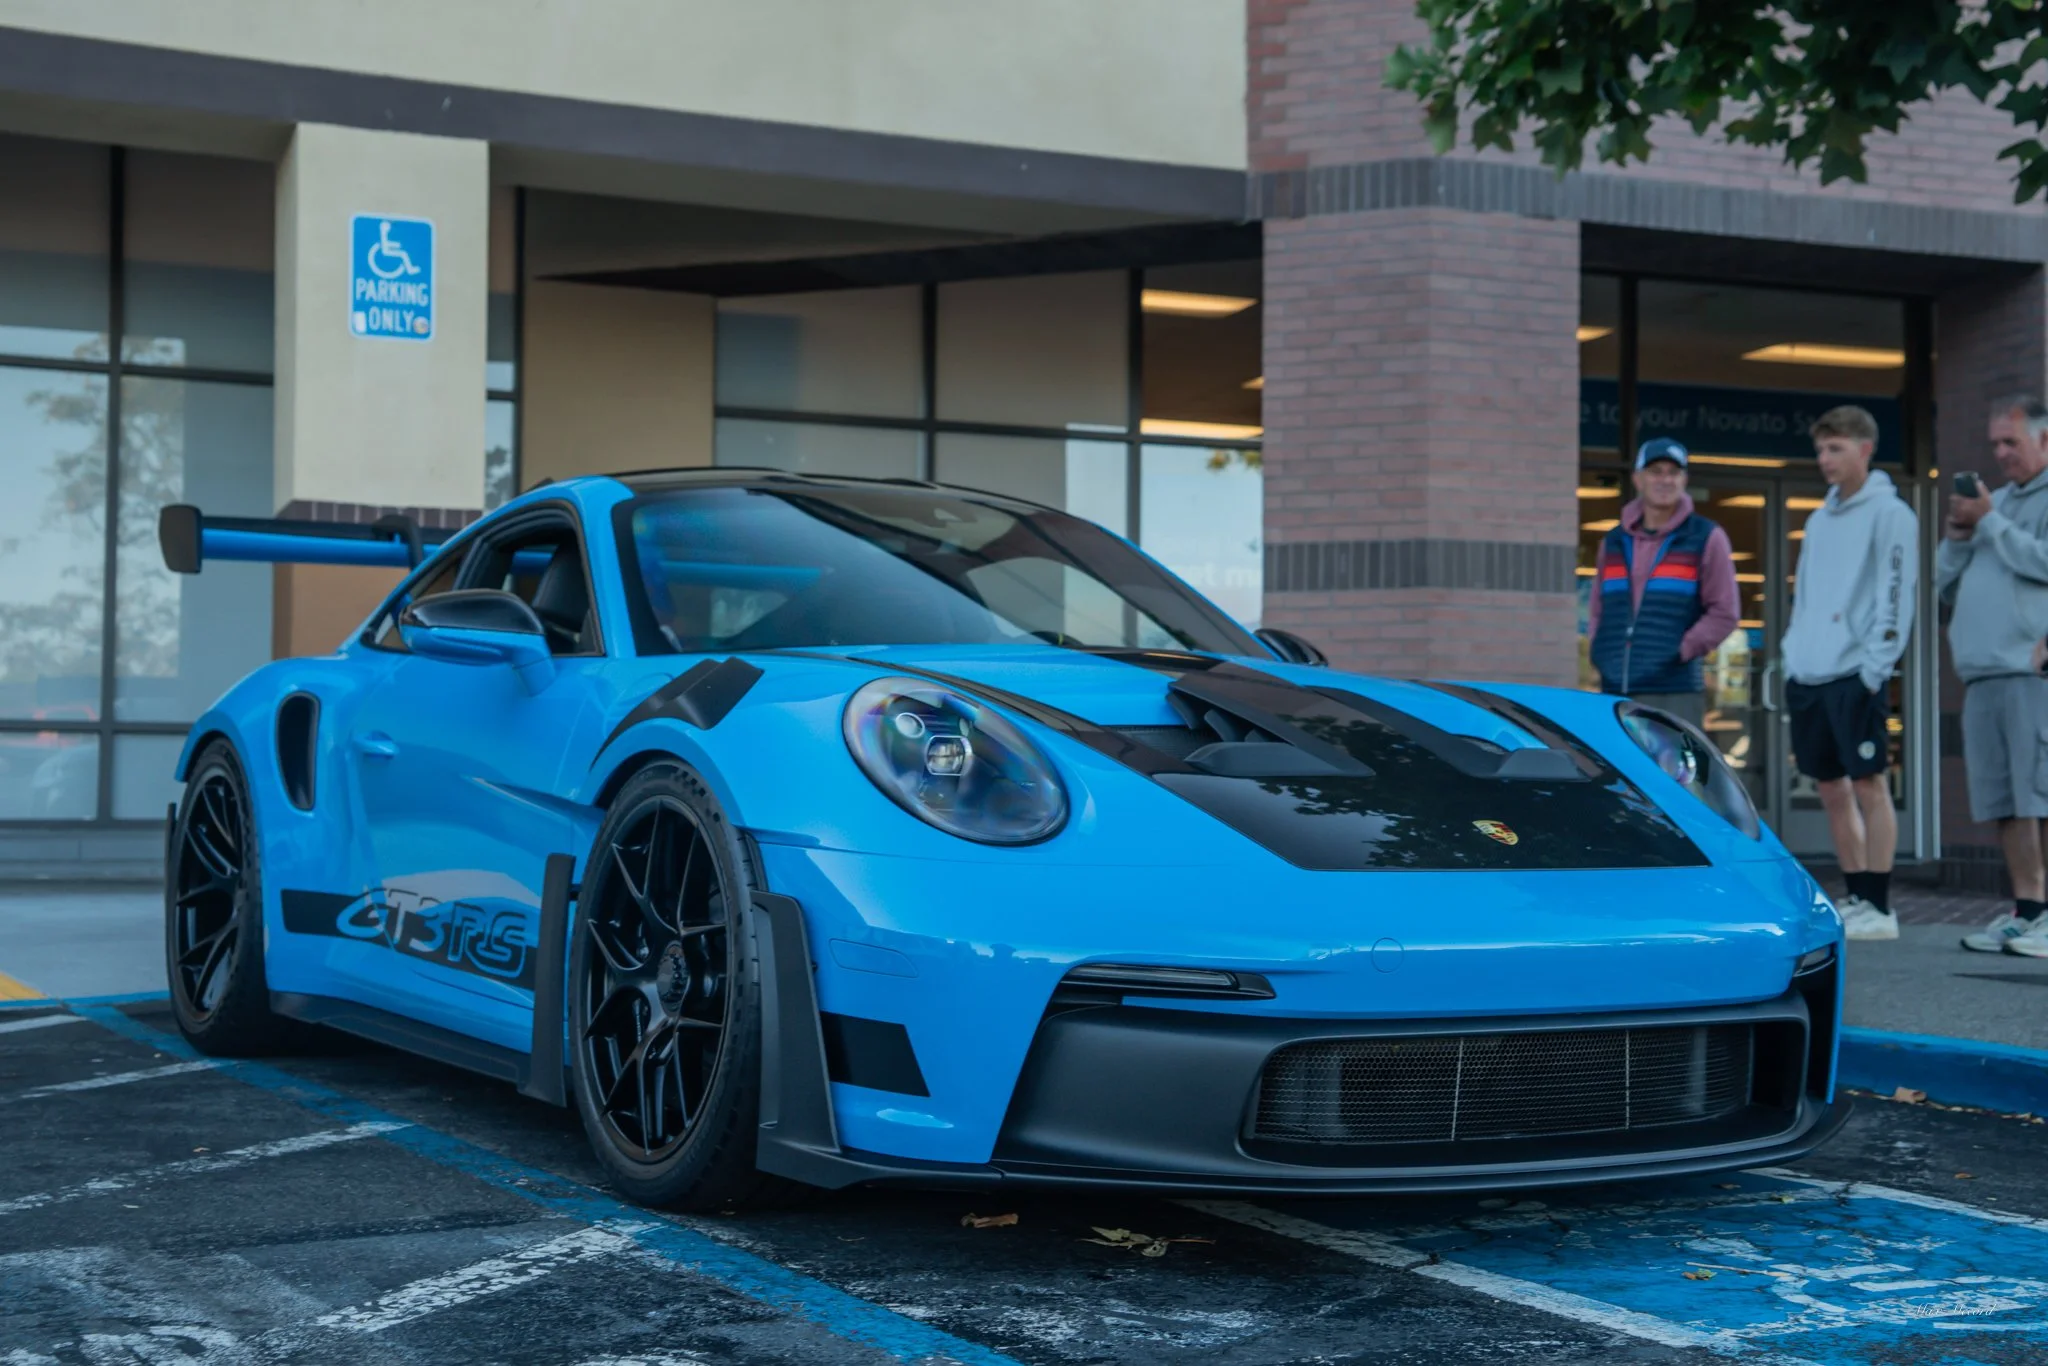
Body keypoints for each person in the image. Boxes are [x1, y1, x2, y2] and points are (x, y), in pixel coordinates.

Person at [1782, 405, 1918, 941]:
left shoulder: (1892, 515)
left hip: (1856, 674)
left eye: (1835, 449)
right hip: (1810, 674)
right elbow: (1805, 595)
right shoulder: (1818, 518)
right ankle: (1858, 895)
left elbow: (1896, 596)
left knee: (1869, 785)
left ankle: (1881, 907)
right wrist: (1795, 656)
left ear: (1864, 450)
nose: (1824, 459)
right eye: (1820, 449)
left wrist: (1873, 670)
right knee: (1832, 790)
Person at [1940, 397, 2048, 958]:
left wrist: (1991, 523)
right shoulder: (1994, 505)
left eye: (2012, 442)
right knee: (2004, 801)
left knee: (2041, 797)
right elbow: (1943, 585)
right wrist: (1959, 537)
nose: (2001, 454)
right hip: (1982, 673)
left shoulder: (2005, 512)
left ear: (2045, 441)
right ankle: (2027, 910)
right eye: (1996, 444)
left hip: (2031, 674)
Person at [1587, 437, 1740, 730]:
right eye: (1656, 471)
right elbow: (1597, 609)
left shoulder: (1706, 537)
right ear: (1637, 479)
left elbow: (1725, 612)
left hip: (1674, 690)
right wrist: (1599, 651)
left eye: (1674, 472)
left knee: (1672, 776)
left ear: (1684, 480)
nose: (1665, 479)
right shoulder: (1614, 541)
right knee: (1619, 774)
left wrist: (1679, 650)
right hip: (1614, 690)